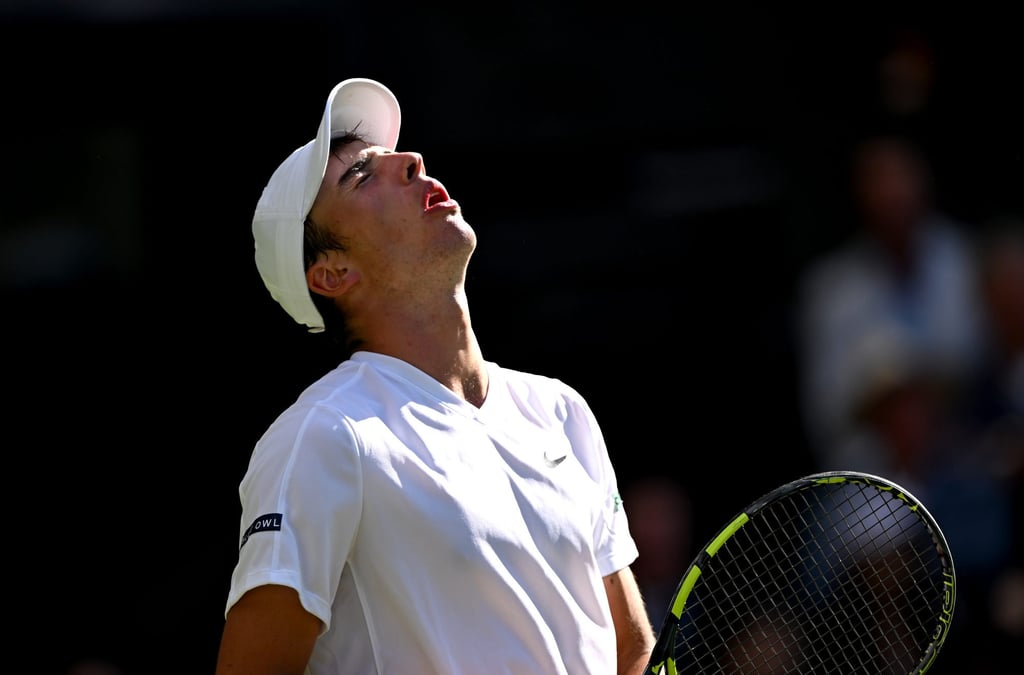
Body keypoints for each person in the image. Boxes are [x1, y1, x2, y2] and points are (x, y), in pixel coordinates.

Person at [214, 78, 655, 675]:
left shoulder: (561, 410)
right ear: (332, 273)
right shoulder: (320, 437)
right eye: (361, 176)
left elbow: (630, 650)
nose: (411, 160)